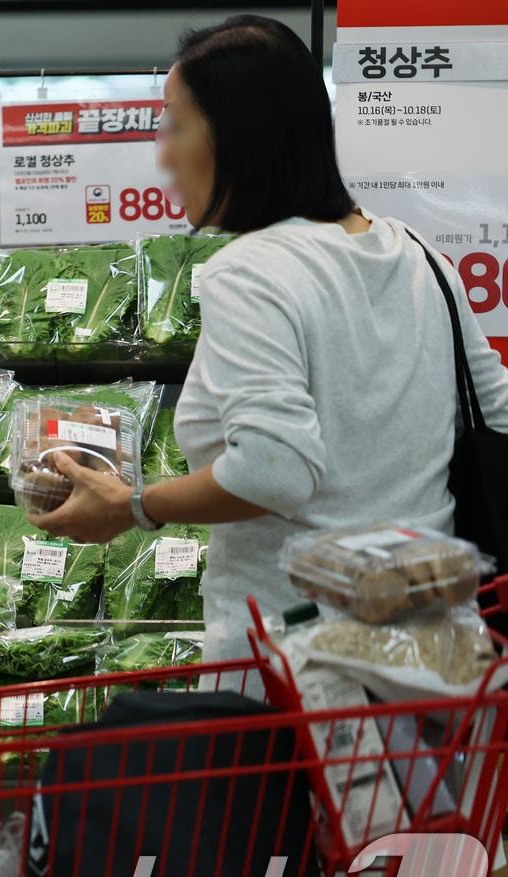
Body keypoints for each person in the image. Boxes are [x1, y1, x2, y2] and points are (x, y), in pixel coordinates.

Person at [27, 14, 508, 662]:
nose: (163, 153)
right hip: (430, 658)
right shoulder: (423, 259)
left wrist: (133, 506)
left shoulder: (251, 270)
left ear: (235, 135)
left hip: (296, 668)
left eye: (176, 123)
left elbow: (276, 470)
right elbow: (494, 414)